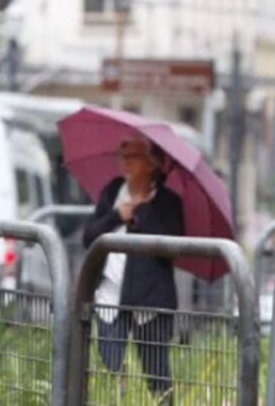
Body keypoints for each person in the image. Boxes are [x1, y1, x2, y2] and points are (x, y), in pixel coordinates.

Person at [83, 135, 184, 400]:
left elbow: (171, 245)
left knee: (158, 375)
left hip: (151, 300)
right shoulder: (113, 191)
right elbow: (89, 236)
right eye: (122, 156)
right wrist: (117, 215)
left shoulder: (167, 202)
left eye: (133, 157)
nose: (124, 163)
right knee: (110, 370)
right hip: (110, 296)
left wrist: (142, 212)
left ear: (151, 164)